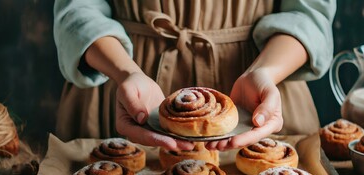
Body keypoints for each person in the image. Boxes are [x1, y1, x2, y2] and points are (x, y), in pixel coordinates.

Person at [53, 0, 336, 151]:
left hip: (261, 88)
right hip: (121, 82)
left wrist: (264, 72)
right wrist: (126, 72)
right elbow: (79, 9)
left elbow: (308, 15)